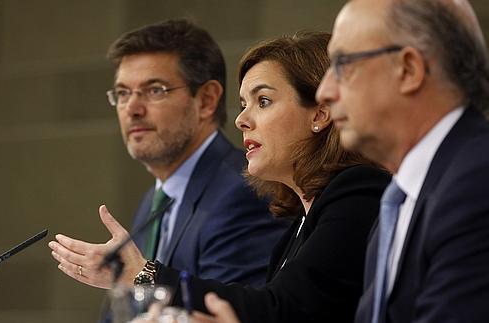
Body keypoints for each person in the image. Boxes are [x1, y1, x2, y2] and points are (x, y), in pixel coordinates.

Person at [50, 31, 391, 323]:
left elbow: (279, 311)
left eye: (264, 101)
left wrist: (143, 276)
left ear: (320, 112)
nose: (242, 119)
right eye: (243, 103)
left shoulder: (357, 192)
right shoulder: (300, 223)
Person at [50, 19, 288, 288]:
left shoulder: (244, 191)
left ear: (207, 100)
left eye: (154, 90)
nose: (133, 109)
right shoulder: (153, 201)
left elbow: (227, 313)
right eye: (123, 93)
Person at [316, 0, 489, 322]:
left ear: (408, 69)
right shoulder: (400, 197)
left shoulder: (477, 185)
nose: (324, 91)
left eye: (343, 64)